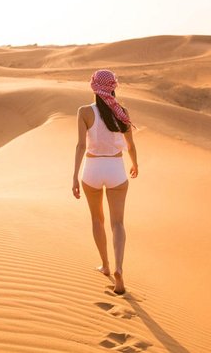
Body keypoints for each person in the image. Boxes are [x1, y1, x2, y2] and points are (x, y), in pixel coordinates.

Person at [72, 69, 138, 295]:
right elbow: (130, 145)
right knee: (117, 223)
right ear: (113, 87)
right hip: (116, 168)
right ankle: (119, 268)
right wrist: (135, 164)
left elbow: (81, 145)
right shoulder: (122, 112)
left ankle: (106, 266)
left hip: (91, 169)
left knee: (97, 219)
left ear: (93, 87)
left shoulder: (84, 112)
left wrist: (74, 176)